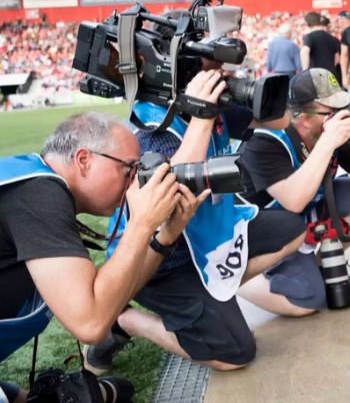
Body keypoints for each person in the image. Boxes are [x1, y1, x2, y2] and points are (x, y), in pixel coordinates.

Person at [85, 18, 308, 373]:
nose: (219, 67)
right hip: (160, 261)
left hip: (206, 240)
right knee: (236, 354)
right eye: (208, 59)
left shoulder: (209, 101)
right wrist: (202, 114)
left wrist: (246, 93)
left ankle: (217, 292)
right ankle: (125, 321)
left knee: (292, 227)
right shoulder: (148, 129)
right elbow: (169, 192)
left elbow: (278, 121)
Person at [0, 112, 201, 402]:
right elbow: (91, 324)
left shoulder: (34, 182)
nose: (136, 181)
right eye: (130, 168)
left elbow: (110, 302)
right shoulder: (38, 192)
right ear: (84, 160)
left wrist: (166, 236)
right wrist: (141, 223)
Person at [236, 69, 350, 315]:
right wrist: (328, 143)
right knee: (307, 302)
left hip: (298, 218)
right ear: (304, 118)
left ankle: (319, 268)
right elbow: (293, 201)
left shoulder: (328, 131)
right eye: (332, 112)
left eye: (342, 107)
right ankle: (235, 282)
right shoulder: (265, 140)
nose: (342, 116)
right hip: (261, 230)